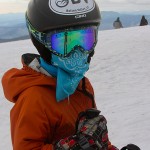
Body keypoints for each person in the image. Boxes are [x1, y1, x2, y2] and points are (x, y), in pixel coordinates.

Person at [1, 0, 140, 150]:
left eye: (85, 39)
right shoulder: (34, 98)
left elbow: (92, 140)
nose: (77, 51)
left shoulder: (80, 84)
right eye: (64, 43)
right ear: (40, 42)